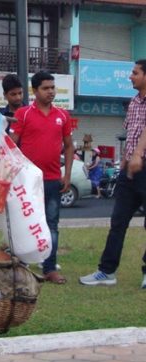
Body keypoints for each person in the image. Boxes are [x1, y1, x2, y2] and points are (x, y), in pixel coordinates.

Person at [80, 59, 146, 289]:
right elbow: (130, 133)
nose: (130, 76)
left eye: (135, 73)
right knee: (118, 221)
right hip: (130, 171)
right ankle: (106, 271)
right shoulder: (134, 103)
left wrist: (138, 154)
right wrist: (127, 163)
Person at [10, 71, 74, 284]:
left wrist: (68, 174)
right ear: (35, 91)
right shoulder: (23, 114)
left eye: (53, 88)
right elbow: (12, 143)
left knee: (51, 225)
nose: (51, 92)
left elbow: (69, 146)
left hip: (53, 179)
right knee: (24, 223)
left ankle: (49, 267)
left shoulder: (63, 116)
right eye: (46, 88)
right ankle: (22, 265)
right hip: (27, 181)